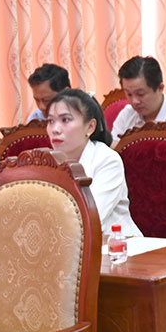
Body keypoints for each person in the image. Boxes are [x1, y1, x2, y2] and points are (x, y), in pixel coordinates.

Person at [45, 89, 139, 238]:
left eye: (66, 120)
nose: (55, 130)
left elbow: (90, 219)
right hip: (62, 245)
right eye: (51, 121)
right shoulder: (46, 161)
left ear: (90, 127)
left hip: (116, 247)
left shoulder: (107, 160)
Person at [112, 56, 166, 141]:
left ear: (160, 88)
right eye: (129, 94)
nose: (134, 101)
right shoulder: (127, 114)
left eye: (140, 94)